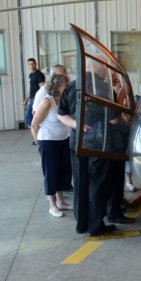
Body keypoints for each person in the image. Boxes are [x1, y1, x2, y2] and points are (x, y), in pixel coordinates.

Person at [57, 58, 119, 236]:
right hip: (99, 144)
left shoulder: (73, 86)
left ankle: (81, 224)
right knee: (97, 185)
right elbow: (114, 120)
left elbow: (61, 115)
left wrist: (77, 124)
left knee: (80, 183)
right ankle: (95, 226)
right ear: (101, 70)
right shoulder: (105, 89)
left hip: (77, 143)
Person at [30, 74, 72, 217]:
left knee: (62, 171)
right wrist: (38, 145)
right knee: (51, 173)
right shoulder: (47, 102)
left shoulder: (63, 100)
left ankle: (61, 200)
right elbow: (34, 125)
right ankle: (52, 204)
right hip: (48, 142)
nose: (67, 87)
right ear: (58, 86)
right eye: (66, 85)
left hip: (63, 140)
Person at [106, 72, 135, 225]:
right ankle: (113, 212)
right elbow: (114, 118)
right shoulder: (106, 91)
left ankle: (116, 207)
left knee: (116, 179)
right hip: (112, 141)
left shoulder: (108, 90)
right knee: (113, 179)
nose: (114, 79)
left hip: (116, 140)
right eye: (112, 76)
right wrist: (121, 96)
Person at [24, 58, 45, 129]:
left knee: (28, 115)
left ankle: (37, 130)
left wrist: (41, 99)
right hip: (32, 98)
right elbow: (31, 88)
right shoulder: (31, 75)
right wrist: (26, 100)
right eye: (29, 64)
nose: (31, 66)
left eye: (33, 64)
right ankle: (37, 131)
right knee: (30, 116)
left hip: (37, 99)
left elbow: (42, 87)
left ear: (36, 64)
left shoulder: (39, 74)